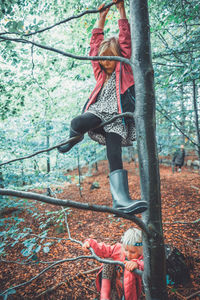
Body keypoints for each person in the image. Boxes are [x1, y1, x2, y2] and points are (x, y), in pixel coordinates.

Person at [58, 0, 147, 215]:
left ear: (118, 57)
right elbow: (94, 46)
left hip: (116, 119)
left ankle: (120, 200)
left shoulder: (125, 70)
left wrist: (121, 10)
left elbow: (126, 40)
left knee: (113, 154)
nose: (106, 63)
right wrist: (101, 17)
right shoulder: (100, 74)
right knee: (77, 122)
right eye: (104, 59)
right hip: (99, 112)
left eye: (110, 59)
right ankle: (75, 135)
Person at [82, 227, 144, 300]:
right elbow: (104, 249)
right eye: (126, 250)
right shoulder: (118, 249)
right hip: (116, 287)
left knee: (129, 270)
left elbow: (146, 265)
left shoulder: (143, 258)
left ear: (141, 250)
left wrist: (137, 264)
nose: (128, 254)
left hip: (132, 292)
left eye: (133, 252)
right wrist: (90, 243)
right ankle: (105, 296)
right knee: (108, 261)